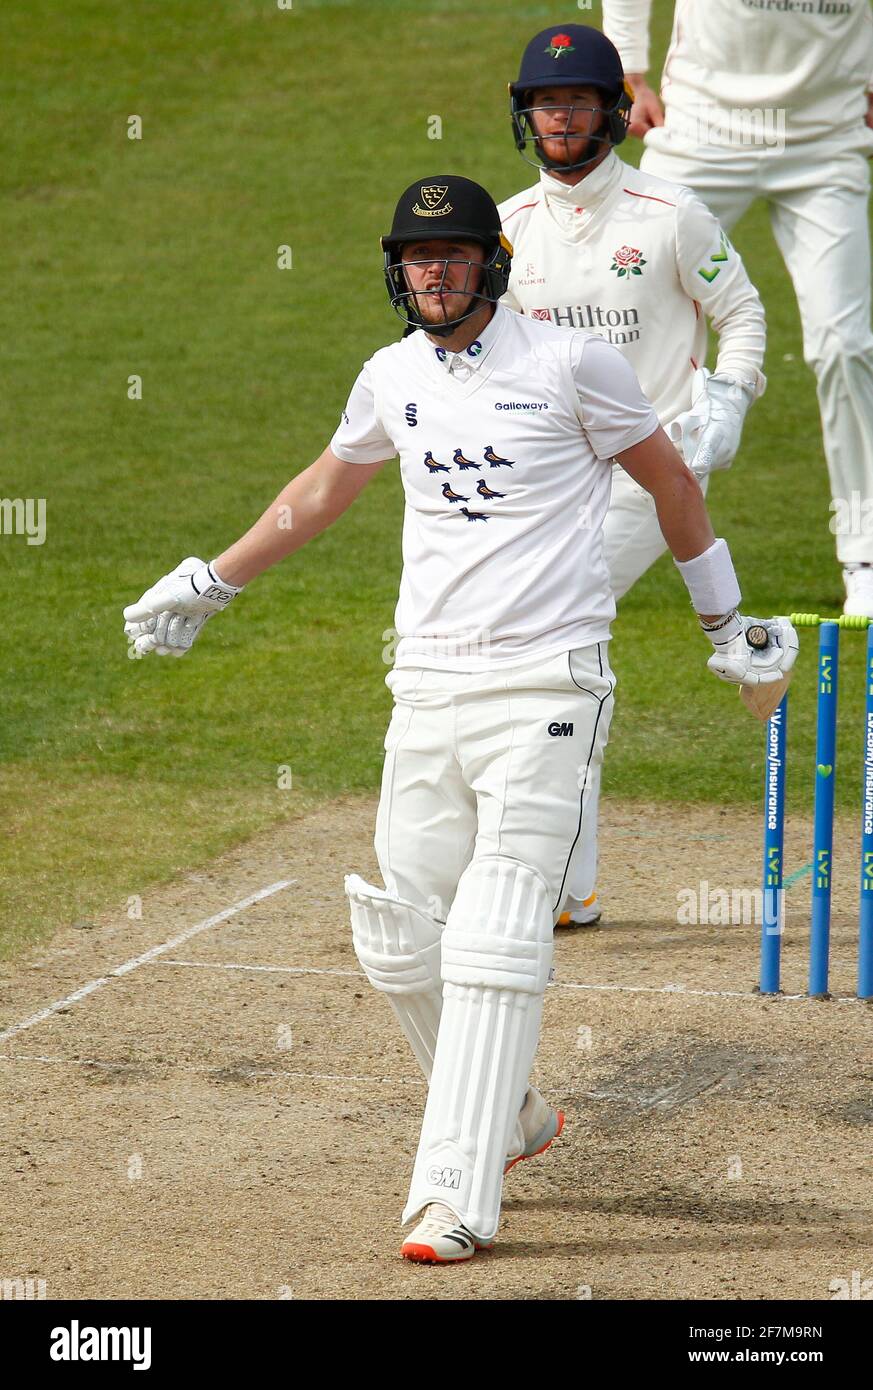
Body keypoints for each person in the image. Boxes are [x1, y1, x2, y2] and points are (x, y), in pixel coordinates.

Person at [122, 175, 796, 1264]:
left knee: (495, 931)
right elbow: (321, 491)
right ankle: (515, 1116)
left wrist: (725, 624)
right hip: (426, 687)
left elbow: (671, 484)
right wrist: (212, 580)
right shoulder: (391, 376)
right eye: (416, 258)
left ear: (494, 262)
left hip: (548, 689)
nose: (433, 273)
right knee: (399, 933)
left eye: (453, 256)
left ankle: (453, 1192)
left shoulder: (575, 364)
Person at [499, 22, 766, 925]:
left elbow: (742, 312)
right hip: (542, 478)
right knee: (549, 645)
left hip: (651, 474)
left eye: (575, 102)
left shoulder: (669, 212)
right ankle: (565, 882)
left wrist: (726, 399)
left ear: (613, 111)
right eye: (545, 104)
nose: (559, 118)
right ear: (524, 117)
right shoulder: (506, 229)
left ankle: (553, 880)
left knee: (549, 631)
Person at [602, 0, 873, 616]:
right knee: (626, 309)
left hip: (826, 139)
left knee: (845, 345)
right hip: (702, 126)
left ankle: (866, 555)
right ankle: (587, 521)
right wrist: (630, 74)